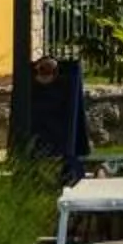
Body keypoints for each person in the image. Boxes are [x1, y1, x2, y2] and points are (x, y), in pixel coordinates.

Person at [24, 51, 92, 179]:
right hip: (40, 144)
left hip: (59, 145)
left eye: (48, 69)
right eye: (42, 69)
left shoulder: (66, 86)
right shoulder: (29, 89)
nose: (45, 72)